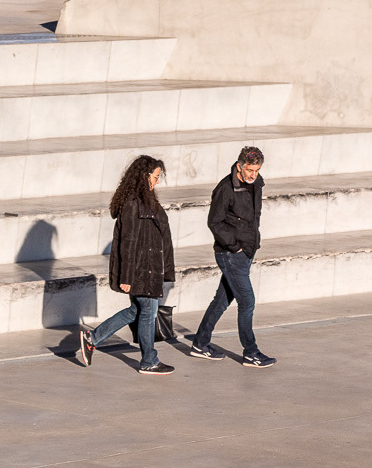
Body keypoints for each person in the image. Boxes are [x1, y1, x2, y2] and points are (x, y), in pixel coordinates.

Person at [79, 155, 175, 375]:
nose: (157, 181)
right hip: (141, 271)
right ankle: (149, 360)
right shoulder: (133, 203)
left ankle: (93, 338)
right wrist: (126, 277)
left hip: (149, 269)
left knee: (136, 311)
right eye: (155, 177)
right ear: (144, 176)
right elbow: (128, 243)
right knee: (147, 313)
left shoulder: (147, 200)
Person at [188, 145, 276, 367]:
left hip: (245, 252)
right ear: (239, 166)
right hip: (230, 254)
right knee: (247, 301)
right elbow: (214, 222)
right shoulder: (225, 188)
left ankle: (199, 343)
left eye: (257, 170)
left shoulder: (256, 184)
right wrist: (235, 246)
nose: (253, 174)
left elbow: (253, 218)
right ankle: (251, 352)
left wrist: (250, 245)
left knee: (221, 301)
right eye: (250, 170)